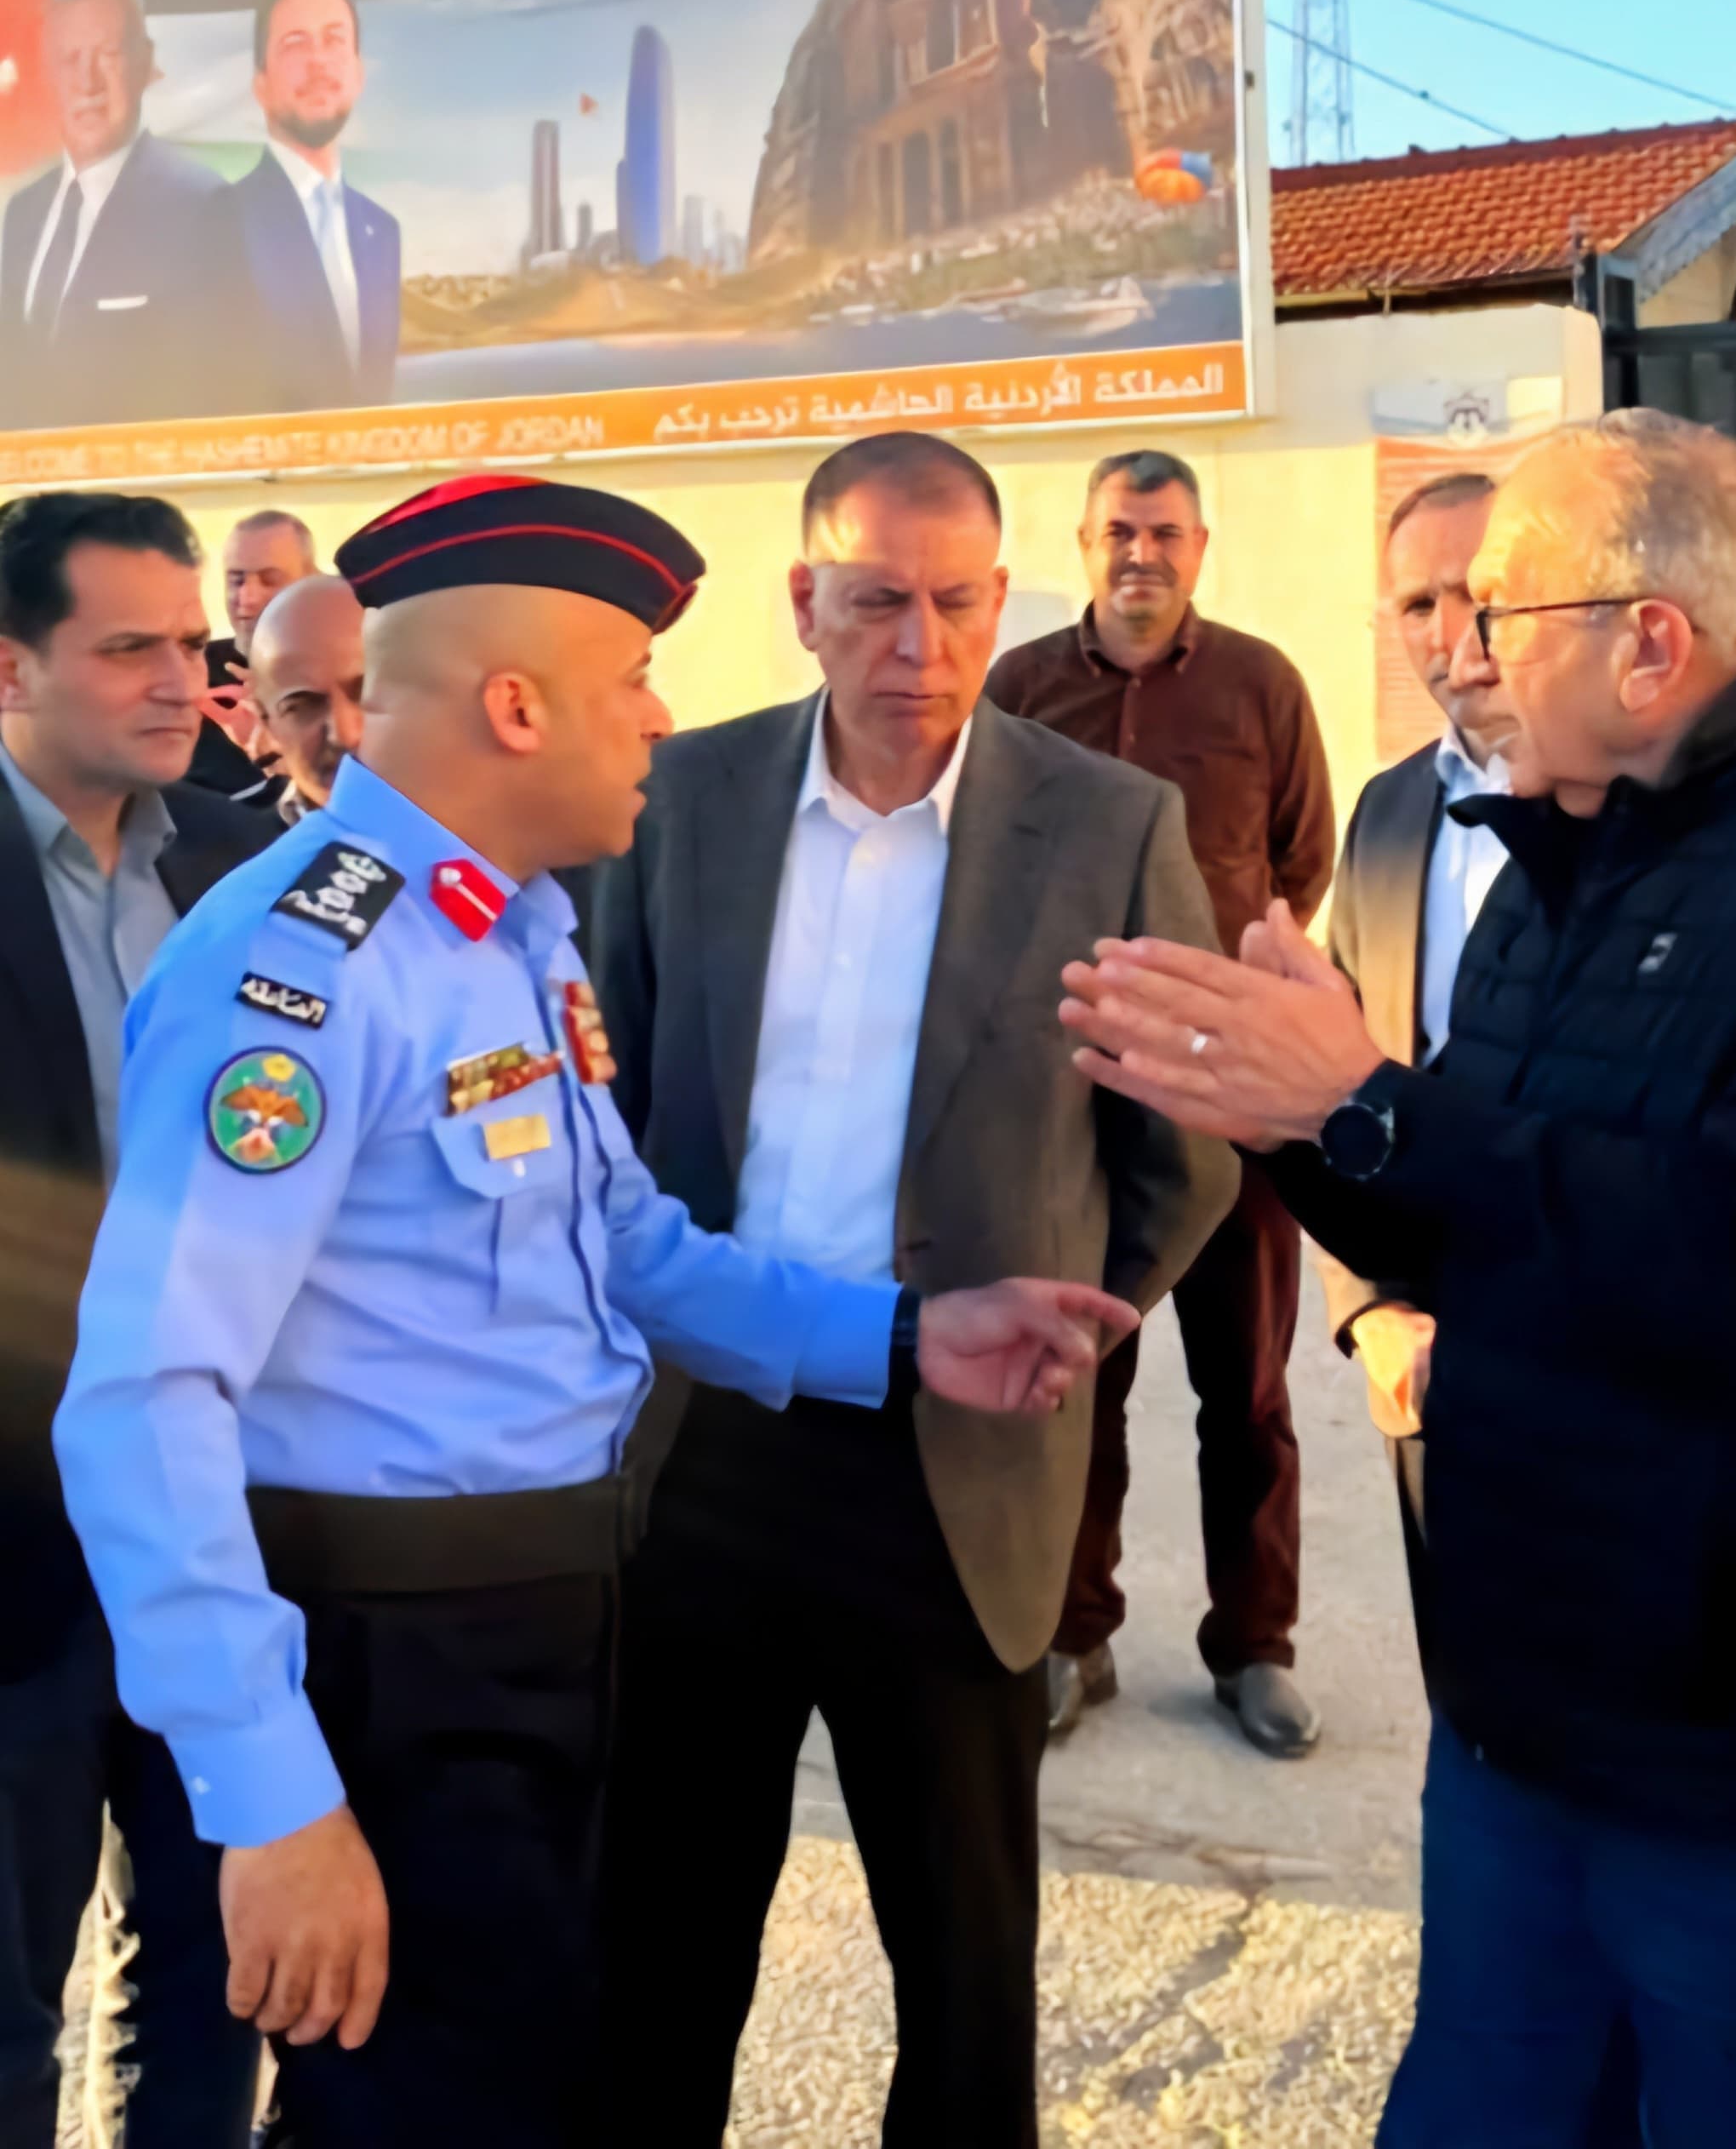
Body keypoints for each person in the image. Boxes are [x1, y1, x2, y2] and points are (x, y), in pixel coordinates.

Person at [52, 470, 1137, 2149]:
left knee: (538, 2084)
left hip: (554, 1617)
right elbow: (145, 1393)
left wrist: (905, 1339)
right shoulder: (302, 968)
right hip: (397, 1663)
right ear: (514, 704)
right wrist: (273, 1797)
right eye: (630, 675)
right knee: (416, 2108)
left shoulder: (514, 930)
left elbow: (625, 1239)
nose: (657, 715)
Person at [1062, 409, 1736, 2149]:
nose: (1457, 654)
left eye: (1495, 613)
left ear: (1646, 641)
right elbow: (1462, 1218)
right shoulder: (1560, 840)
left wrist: (1368, 1101)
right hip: (1513, 1714)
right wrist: (1289, 1117)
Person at [593, 431, 1235, 2148]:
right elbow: (606, 1101)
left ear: (1000, 595)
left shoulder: (1106, 824)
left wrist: (1078, 1314)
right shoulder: (677, 801)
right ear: (803, 598)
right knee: (657, 1946)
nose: (917, 646)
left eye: (956, 602)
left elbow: (1182, 1148)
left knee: (961, 1970)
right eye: (876, 600)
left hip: (956, 1467)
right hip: (703, 1449)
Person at [987, 449, 1333, 1754]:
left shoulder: (1261, 687)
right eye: (1120, 531)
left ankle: (1254, 1647)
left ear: (1199, 548)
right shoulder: (1019, 691)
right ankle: (1073, 1636)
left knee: (1245, 1393)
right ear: (1085, 543)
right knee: (1082, 1381)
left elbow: (1300, 858)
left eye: (1166, 533)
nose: (1143, 553)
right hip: (1079, 1098)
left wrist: (1228, 990)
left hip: (1235, 1097)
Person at [0, 491, 271, 2149]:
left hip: (224, 1539)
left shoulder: (253, 869)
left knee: (212, 1984)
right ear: (10, 666)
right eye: (129, 648)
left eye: (192, 641)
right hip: (15, 1555)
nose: (183, 681)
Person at [1322, 471, 1510, 1504]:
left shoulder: (1649, 804)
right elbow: (1340, 1077)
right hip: (1422, 1341)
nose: (1451, 632)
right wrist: (1370, 1305)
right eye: (1416, 603)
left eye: (1479, 591)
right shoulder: (1386, 813)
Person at [0, 0, 224, 432]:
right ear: (49, 73)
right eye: (70, 59)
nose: (88, 82)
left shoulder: (203, 207)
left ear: (144, 63)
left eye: (106, 54)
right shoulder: (22, 212)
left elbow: (213, 390)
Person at [212, 0, 401, 411]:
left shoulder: (382, 231)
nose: (318, 61)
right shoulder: (219, 222)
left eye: (334, 41)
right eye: (295, 44)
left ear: (358, 75)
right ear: (261, 85)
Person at [188, 509, 321, 805]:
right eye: (236, 581)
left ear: (311, 581)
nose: (247, 598)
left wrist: (285, 750)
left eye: (270, 580)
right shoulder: (189, 674)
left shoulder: (353, 678)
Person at [244, 574, 364, 821]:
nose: (344, 734)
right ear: (267, 722)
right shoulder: (240, 842)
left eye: (367, 693)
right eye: (303, 707)